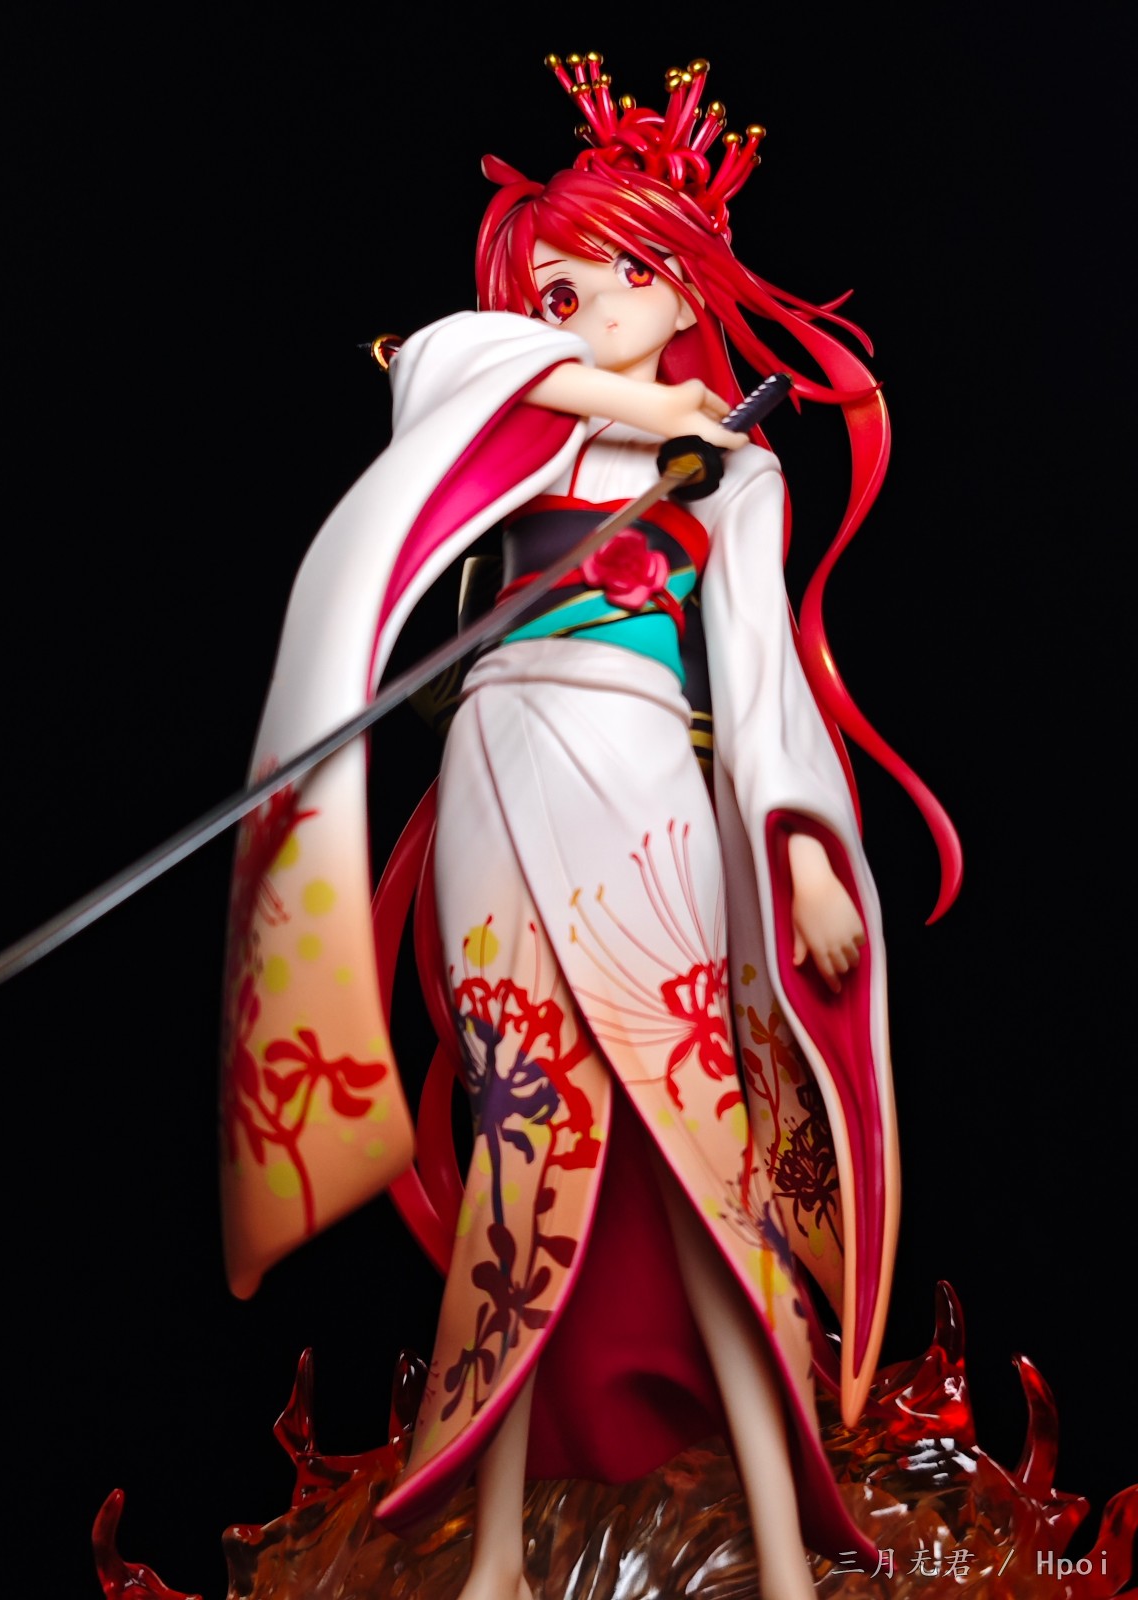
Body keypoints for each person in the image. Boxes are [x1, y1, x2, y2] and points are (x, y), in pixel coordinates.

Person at [217, 52, 962, 1600]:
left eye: (605, 274)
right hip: (497, 768)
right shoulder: (521, 424)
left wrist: (805, 855)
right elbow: (439, 359)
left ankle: (783, 1552)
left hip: (642, 789)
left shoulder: (735, 475)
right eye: (551, 281)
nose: (567, 303)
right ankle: (492, 1562)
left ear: (677, 282)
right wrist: (641, 400)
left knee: (704, 1169)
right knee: (521, 1152)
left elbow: (760, 684)